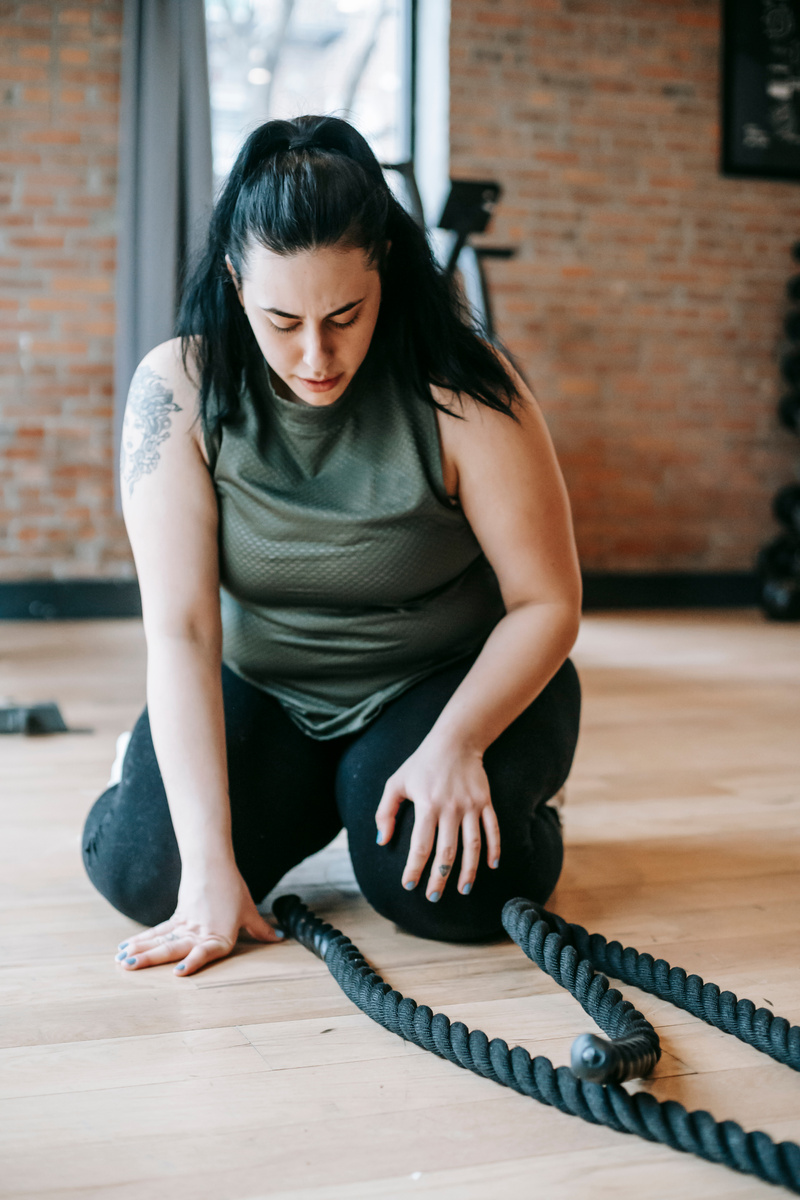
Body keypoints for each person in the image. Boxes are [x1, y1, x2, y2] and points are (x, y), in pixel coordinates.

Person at [81, 114, 582, 979]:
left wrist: (460, 745)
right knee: (149, 873)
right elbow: (185, 632)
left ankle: (511, 789)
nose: (316, 356)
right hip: (267, 688)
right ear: (236, 282)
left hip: (444, 684)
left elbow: (548, 604)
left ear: (382, 267)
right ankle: (199, 775)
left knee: (446, 895)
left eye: (344, 316)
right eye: (282, 320)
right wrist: (206, 865)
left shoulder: (468, 393)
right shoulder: (179, 388)